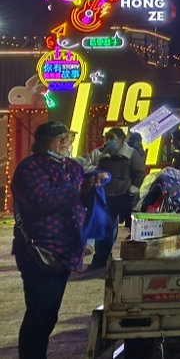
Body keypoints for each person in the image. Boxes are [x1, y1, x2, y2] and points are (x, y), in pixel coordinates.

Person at [12, 122, 104, 359]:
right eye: (58, 137)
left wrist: (93, 187)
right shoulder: (30, 167)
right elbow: (41, 201)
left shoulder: (73, 167)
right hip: (40, 252)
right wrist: (78, 189)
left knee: (49, 314)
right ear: (42, 142)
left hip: (67, 250)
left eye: (68, 137)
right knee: (40, 314)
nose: (65, 142)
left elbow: (80, 200)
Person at [85, 128, 145, 269]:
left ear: (121, 139)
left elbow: (139, 173)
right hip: (107, 197)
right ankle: (100, 260)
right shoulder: (103, 155)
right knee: (105, 229)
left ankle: (133, 261)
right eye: (107, 138)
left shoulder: (131, 154)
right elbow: (95, 170)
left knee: (133, 230)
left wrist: (132, 190)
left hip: (126, 196)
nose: (108, 141)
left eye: (112, 138)